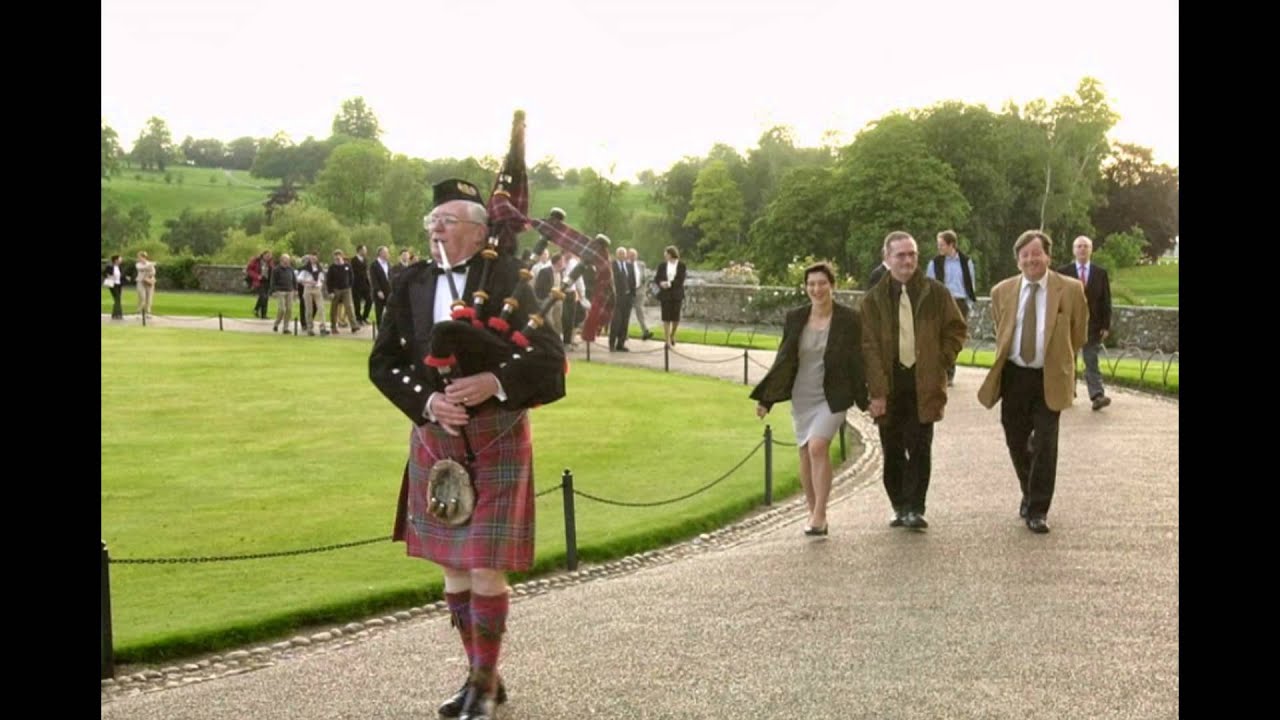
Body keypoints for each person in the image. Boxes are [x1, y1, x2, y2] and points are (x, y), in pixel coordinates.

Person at [369, 179, 566, 720]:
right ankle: (483, 676)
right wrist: (429, 403)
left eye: (448, 220)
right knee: (453, 570)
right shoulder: (409, 280)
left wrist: (494, 384)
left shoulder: (511, 278)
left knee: (484, 568)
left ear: (480, 232)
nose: (436, 228)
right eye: (432, 219)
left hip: (496, 433)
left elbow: (549, 357)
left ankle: (481, 684)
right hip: (437, 439)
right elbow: (383, 363)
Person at [978, 230, 1088, 534]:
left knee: (1046, 443)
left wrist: (1060, 360)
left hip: (1049, 375)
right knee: (1015, 438)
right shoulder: (1002, 291)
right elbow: (1002, 328)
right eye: (1024, 255)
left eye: (1036, 254)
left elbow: (1078, 332)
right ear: (1017, 260)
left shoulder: (1070, 290)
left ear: (1048, 256)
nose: (1031, 260)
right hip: (1014, 375)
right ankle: (1028, 489)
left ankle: (1038, 509)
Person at [751, 261, 868, 536]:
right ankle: (813, 511)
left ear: (833, 286)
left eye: (822, 283)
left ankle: (820, 514)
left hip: (834, 396)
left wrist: (866, 399)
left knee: (817, 447)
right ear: (806, 288)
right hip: (802, 395)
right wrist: (766, 399)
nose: (817, 289)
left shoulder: (849, 319)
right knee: (804, 452)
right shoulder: (795, 317)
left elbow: (857, 362)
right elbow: (784, 359)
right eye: (811, 284)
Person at [861, 232, 968, 530]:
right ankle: (899, 505)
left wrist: (941, 360)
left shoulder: (936, 293)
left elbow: (957, 329)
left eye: (912, 254)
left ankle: (915, 508)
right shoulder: (873, 300)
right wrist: (877, 391)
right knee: (892, 450)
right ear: (887, 259)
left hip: (924, 383)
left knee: (921, 448)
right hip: (890, 384)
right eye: (900, 255)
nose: (907, 260)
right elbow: (867, 347)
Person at [1057, 236, 1113, 411]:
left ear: (1091, 250)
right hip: (1069, 324)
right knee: (1067, 360)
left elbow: (1106, 300)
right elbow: (1057, 299)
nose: (1082, 249)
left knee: (1091, 360)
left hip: (1093, 325)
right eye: (1079, 246)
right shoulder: (1063, 272)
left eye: (1085, 246)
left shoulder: (1100, 273)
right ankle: (1067, 392)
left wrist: (1106, 325)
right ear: (1074, 250)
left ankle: (1097, 395)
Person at [925, 230, 978, 386]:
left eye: (941, 244)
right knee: (940, 337)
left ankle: (949, 372)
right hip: (941, 302)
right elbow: (929, 285)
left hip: (960, 302)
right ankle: (943, 372)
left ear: (951, 244)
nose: (939, 248)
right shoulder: (934, 263)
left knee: (955, 339)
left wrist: (969, 304)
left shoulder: (966, 262)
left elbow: (971, 284)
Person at [653, 245, 686, 346]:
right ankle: (666, 339)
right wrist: (661, 283)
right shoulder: (662, 265)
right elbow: (657, 278)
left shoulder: (681, 265)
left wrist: (670, 283)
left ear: (671, 254)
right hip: (665, 294)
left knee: (675, 318)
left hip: (676, 294)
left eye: (666, 253)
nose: (664, 255)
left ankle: (672, 334)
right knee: (666, 317)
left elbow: (681, 279)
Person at [326, 249, 361, 334]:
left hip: (346, 289)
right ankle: (333, 327)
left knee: (349, 307)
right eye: (336, 255)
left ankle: (354, 325)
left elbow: (351, 276)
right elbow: (328, 281)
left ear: (342, 256)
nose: (337, 257)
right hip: (335, 290)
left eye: (339, 255)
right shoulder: (332, 267)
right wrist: (330, 291)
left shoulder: (347, 266)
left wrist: (349, 286)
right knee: (334, 309)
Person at [608, 244, 634, 351]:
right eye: (620, 253)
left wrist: (632, 295)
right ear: (616, 255)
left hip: (627, 298)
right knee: (616, 321)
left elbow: (633, 281)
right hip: (617, 297)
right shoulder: (612, 265)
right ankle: (612, 344)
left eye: (624, 254)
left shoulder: (629, 266)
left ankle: (621, 344)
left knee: (625, 321)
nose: (622, 255)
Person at [628, 248, 653, 340]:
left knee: (640, 311)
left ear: (637, 256)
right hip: (628, 292)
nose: (632, 257)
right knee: (626, 313)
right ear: (628, 256)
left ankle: (645, 331)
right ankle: (624, 333)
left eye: (634, 255)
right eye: (630, 255)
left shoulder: (641, 265)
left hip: (639, 291)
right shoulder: (625, 265)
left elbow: (645, 277)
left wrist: (643, 289)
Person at [270, 253, 297, 334]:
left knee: (289, 309)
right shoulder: (276, 269)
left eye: (288, 260)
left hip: (289, 290)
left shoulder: (290, 269)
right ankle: (276, 323)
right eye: (286, 260)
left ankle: (286, 328)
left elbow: (294, 280)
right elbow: (273, 281)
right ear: (281, 260)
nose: (287, 262)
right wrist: (273, 291)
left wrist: (295, 289)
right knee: (282, 309)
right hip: (280, 290)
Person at [246, 251, 274, 319]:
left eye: (269, 256)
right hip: (259, 281)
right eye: (267, 256)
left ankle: (263, 314)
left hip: (267, 281)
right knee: (263, 296)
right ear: (263, 255)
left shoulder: (270, 262)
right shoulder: (256, 261)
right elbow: (249, 270)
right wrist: (257, 276)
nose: (268, 257)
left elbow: (272, 270)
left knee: (265, 298)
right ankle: (256, 309)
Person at [370, 245, 393, 329]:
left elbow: (390, 277)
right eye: (386, 252)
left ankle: (388, 329)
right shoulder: (374, 265)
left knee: (390, 311)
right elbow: (374, 279)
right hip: (379, 292)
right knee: (379, 312)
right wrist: (378, 290)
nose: (388, 254)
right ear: (381, 253)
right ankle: (379, 329)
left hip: (389, 291)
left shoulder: (389, 264)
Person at [351, 244, 373, 326]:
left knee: (369, 300)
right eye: (364, 250)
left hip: (365, 284)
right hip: (356, 285)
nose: (365, 251)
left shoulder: (365, 260)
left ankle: (365, 317)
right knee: (357, 303)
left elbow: (366, 272)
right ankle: (358, 318)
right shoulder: (353, 260)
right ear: (360, 250)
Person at [134, 251, 157, 321]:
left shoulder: (149, 263)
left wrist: (149, 271)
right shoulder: (138, 264)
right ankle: (139, 312)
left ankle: (148, 312)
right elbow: (140, 268)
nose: (140, 258)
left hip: (149, 282)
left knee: (149, 297)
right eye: (139, 257)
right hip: (141, 282)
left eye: (141, 257)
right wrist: (149, 266)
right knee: (142, 297)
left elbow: (153, 272)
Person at [103, 254, 124, 319]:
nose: (121, 260)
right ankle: (118, 314)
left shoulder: (120, 267)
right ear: (116, 260)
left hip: (119, 284)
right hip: (112, 284)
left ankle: (115, 314)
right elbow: (104, 273)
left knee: (117, 299)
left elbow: (122, 275)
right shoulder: (110, 266)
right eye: (120, 259)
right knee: (117, 298)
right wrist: (108, 276)